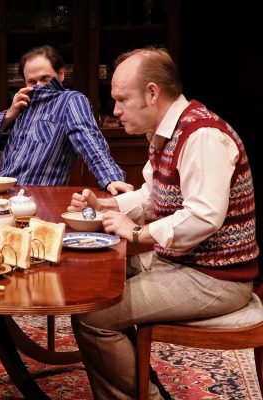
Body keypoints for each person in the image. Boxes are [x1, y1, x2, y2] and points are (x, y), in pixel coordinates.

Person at [68, 47, 259, 399]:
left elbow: (204, 215)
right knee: (97, 279)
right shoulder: (168, 130)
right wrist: (107, 203)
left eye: (122, 99)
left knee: (93, 316)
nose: (116, 110)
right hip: (186, 265)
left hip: (215, 278)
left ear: (152, 92)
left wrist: (139, 232)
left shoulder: (202, 135)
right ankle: (137, 382)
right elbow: (152, 195)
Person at [0, 45, 134, 195]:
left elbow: (88, 139)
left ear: (61, 74)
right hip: (2, 195)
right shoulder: (21, 108)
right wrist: (9, 115)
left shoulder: (70, 100)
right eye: (32, 82)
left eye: (45, 78)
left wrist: (111, 178)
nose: (39, 86)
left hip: (40, 199)